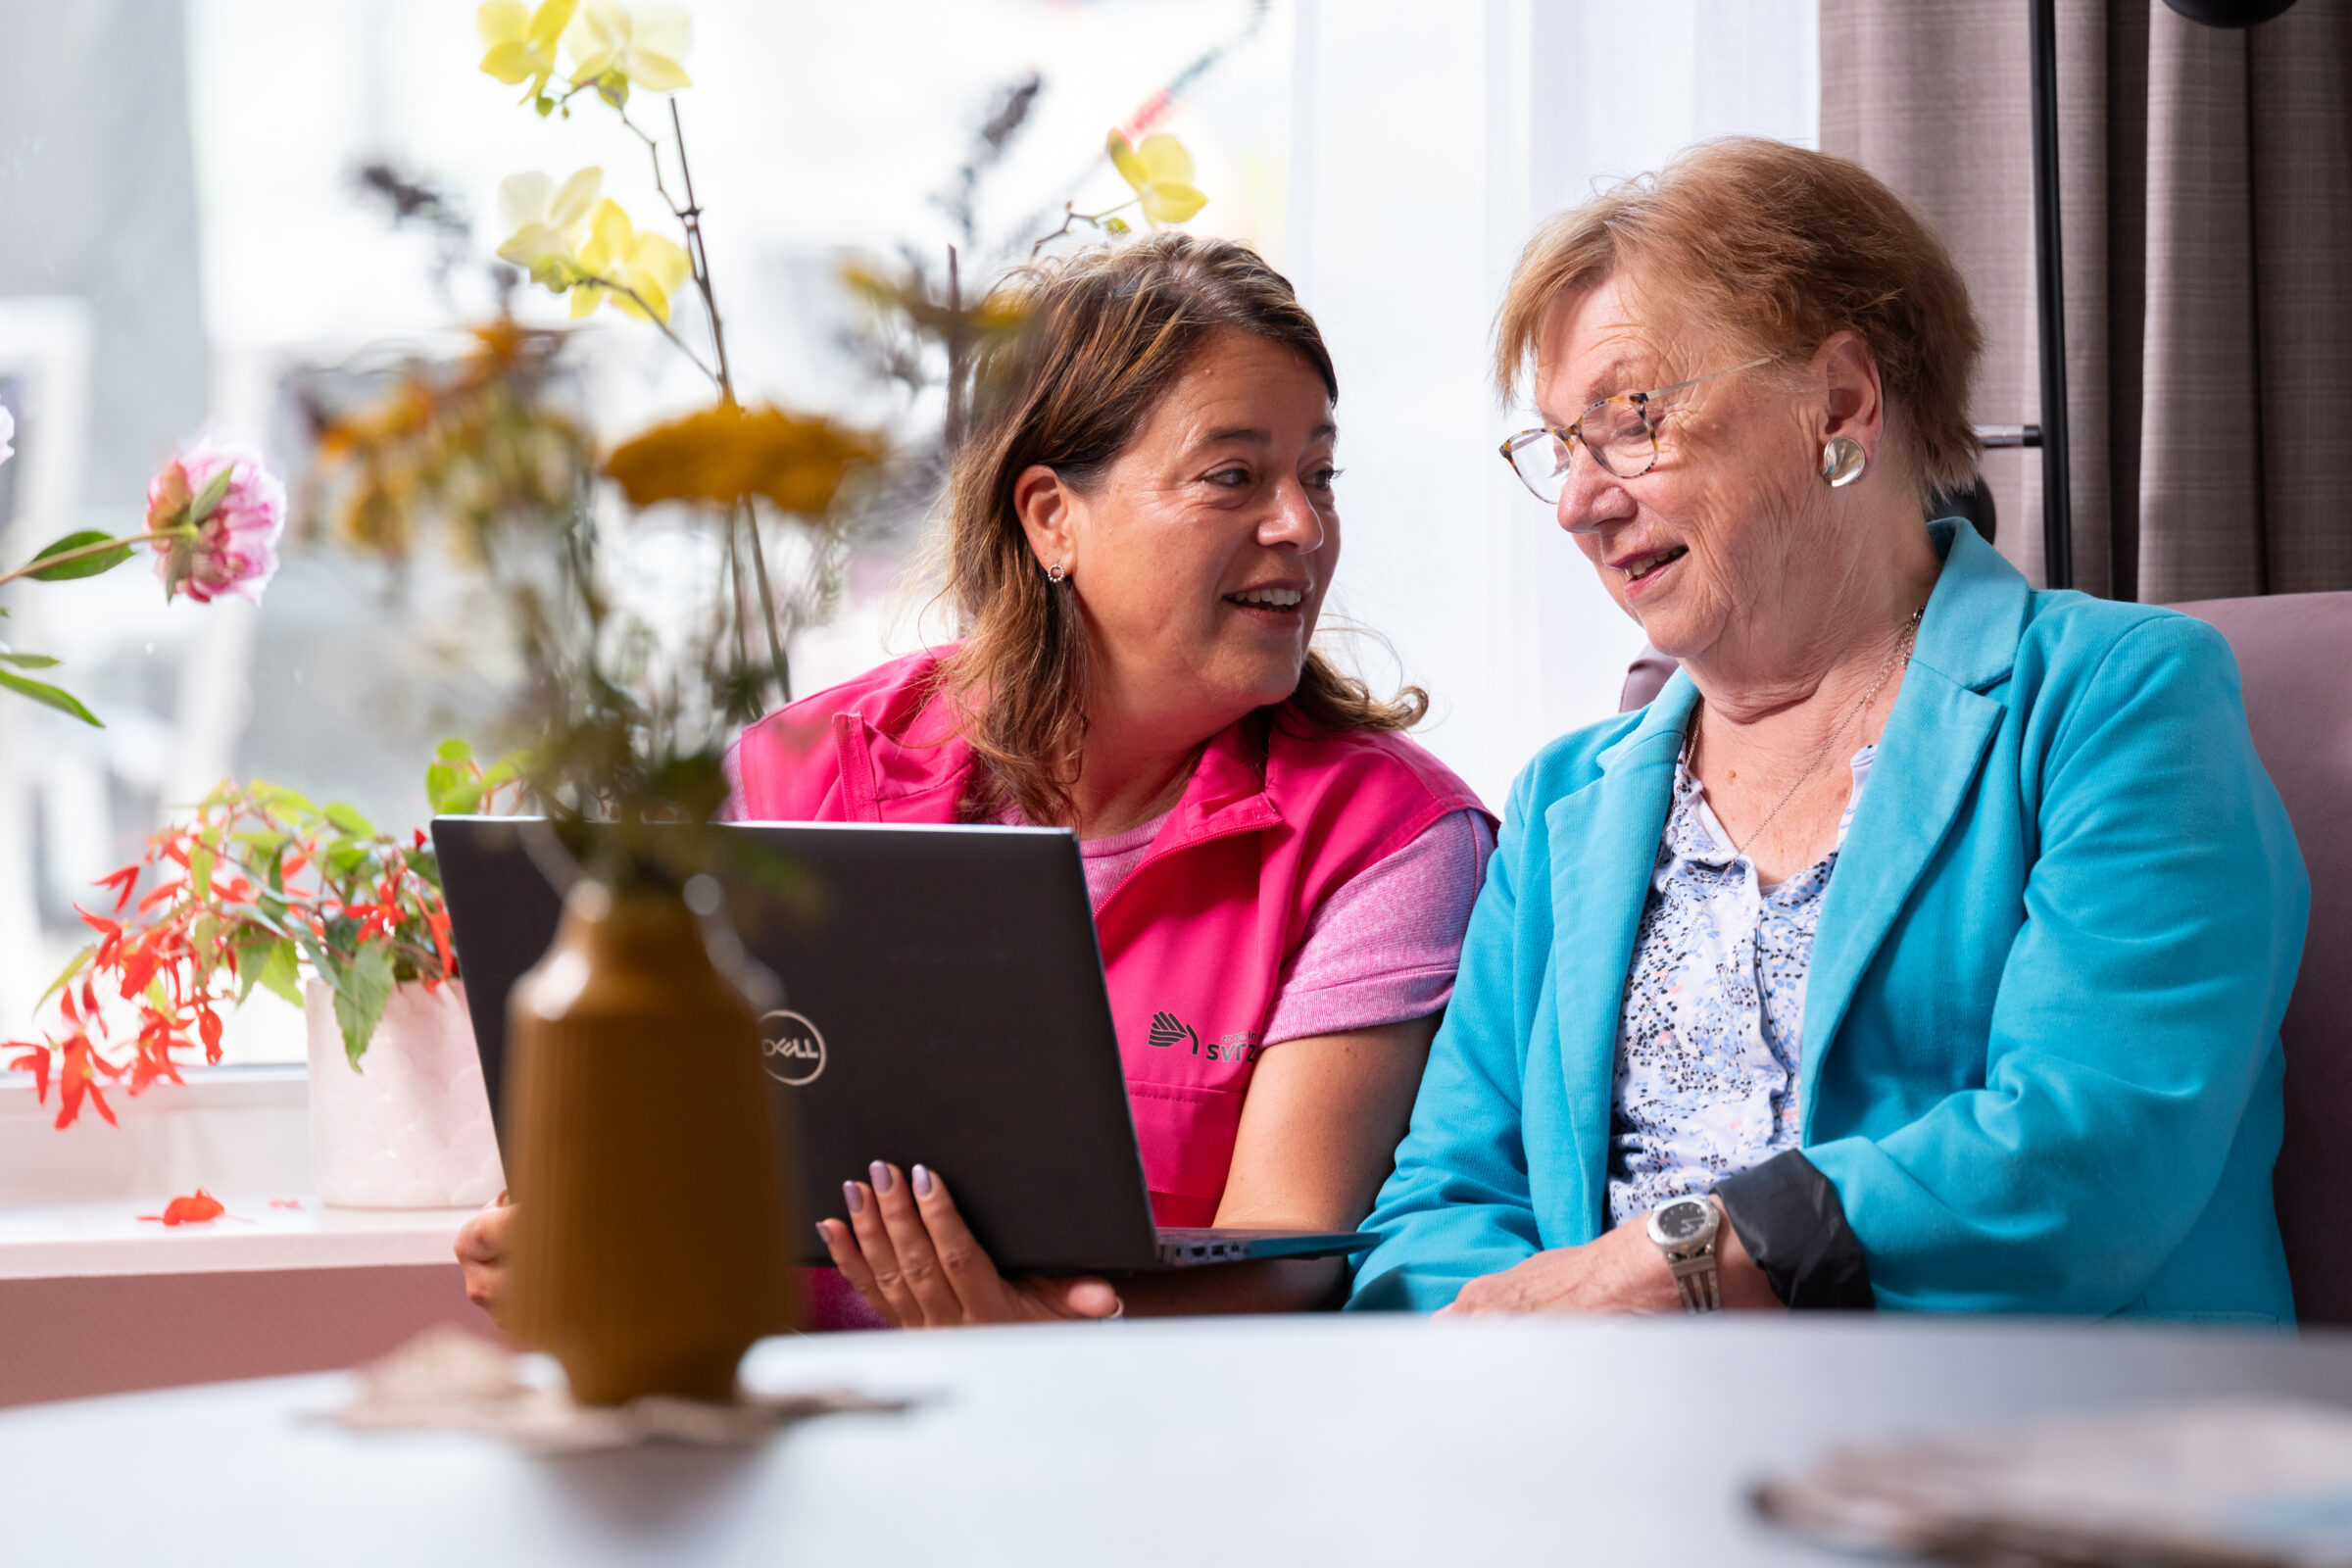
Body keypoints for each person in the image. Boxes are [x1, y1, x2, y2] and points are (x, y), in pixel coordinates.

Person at [1348, 138, 2308, 1320]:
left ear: (1841, 403)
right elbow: (1438, 1207)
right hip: (1595, 1448)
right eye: (1559, 445)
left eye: (1631, 420)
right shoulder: (1561, 804)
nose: (1581, 504)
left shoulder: (2114, 699)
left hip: (2027, 1451)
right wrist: (1508, 1353)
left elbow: (2092, 1145)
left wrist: (1682, 1263)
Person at [459, 234, 1494, 1326]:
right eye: (1233, 476)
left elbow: (1296, 1255)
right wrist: (575, 1240)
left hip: (1155, 1446)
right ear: (1052, 517)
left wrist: (1051, 1346)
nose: (1303, 524)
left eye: (1318, 475)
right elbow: (655, 1165)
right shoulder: (792, 775)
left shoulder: (1395, 839)